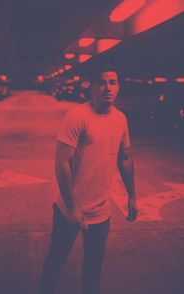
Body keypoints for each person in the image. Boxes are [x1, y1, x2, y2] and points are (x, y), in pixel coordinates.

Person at [39, 65, 138, 294]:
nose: (108, 88)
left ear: (118, 87)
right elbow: (62, 164)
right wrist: (73, 208)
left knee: (93, 267)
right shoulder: (77, 117)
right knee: (56, 260)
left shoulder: (121, 119)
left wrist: (132, 197)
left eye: (113, 82)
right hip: (70, 209)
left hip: (101, 211)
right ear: (92, 86)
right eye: (102, 82)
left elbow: (125, 158)